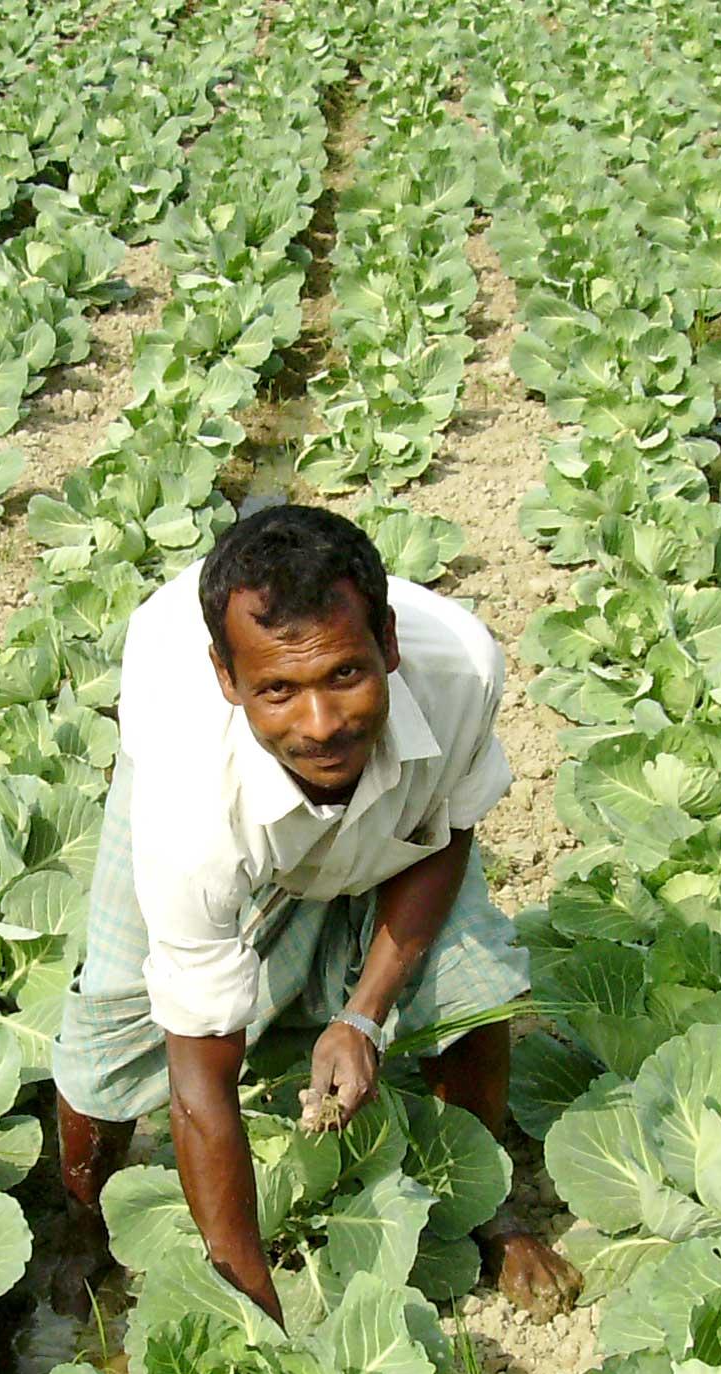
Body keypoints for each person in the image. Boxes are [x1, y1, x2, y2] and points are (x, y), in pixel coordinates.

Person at [51, 503, 582, 1323]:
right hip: (212, 812)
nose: (322, 724)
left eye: (346, 675)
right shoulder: (188, 789)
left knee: (471, 970)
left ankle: (481, 1202)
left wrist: (364, 1019)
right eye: (278, 690)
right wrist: (255, 1309)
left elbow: (443, 833)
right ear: (229, 682)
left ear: (390, 646)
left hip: (396, 804)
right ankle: (87, 1230)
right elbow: (199, 1081)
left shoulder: (461, 675)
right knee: (121, 1015)